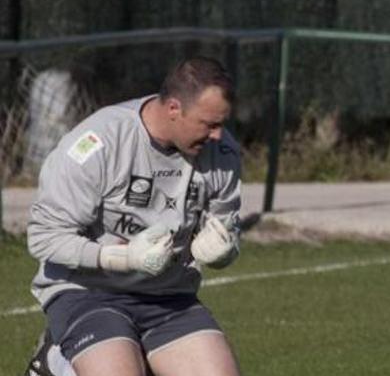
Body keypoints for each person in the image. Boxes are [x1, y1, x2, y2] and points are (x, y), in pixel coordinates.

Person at [25, 57, 243, 376]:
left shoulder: (223, 154)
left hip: (168, 296)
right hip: (87, 292)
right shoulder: (100, 143)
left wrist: (224, 249)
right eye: (209, 124)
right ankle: (57, 362)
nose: (217, 135)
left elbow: (225, 228)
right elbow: (45, 238)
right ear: (173, 108)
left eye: (222, 124)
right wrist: (123, 258)